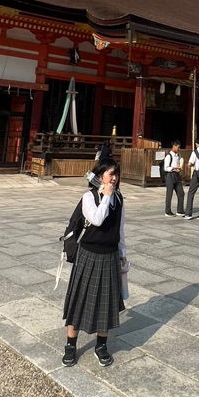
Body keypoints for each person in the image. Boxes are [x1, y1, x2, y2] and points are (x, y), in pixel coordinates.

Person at [62, 157, 127, 368]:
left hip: (110, 255)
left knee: (105, 303)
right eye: (110, 174)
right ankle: (71, 345)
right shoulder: (89, 197)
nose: (114, 178)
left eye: (116, 174)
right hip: (88, 255)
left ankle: (101, 345)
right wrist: (105, 196)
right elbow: (97, 219)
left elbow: (120, 229)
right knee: (79, 300)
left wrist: (123, 254)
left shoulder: (119, 199)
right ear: (100, 176)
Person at [163, 140, 184, 216]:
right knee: (169, 193)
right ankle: (168, 211)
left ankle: (180, 210)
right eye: (178, 147)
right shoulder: (169, 156)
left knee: (181, 193)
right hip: (170, 175)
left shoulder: (179, 155)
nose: (179, 149)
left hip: (177, 175)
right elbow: (166, 168)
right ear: (174, 146)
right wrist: (174, 167)